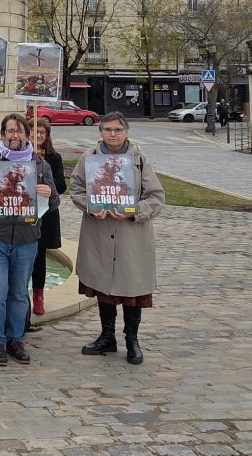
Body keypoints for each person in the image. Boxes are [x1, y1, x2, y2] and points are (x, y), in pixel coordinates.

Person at [69, 112, 165, 365]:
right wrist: (91, 206)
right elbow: (76, 188)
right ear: (100, 132)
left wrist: (133, 211)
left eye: (118, 130)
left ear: (127, 132)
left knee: (131, 287)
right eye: (108, 129)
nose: (112, 134)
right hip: (99, 232)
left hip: (131, 235)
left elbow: (156, 196)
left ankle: (132, 339)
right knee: (104, 286)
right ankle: (107, 336)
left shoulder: (139, 160)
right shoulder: (89, 159)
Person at [0, 113, 59, 366]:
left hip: (26, 238)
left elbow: (54, 203)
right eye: (10, 131)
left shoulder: (39, 164)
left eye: (19, 131)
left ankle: (15, 339)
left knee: (19, 293)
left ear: (27, 134)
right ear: (3, 134)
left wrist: (48, 192)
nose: (14, 135)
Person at [31, 117, 66, 316]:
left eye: (41, 133)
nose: (38, 136)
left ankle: (38, 295)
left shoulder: (54, 158)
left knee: (40, 256)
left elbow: (61, 186)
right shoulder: (21, 155)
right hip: (25, 212)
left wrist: (46, 178)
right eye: (34, 132)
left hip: (46, 212)